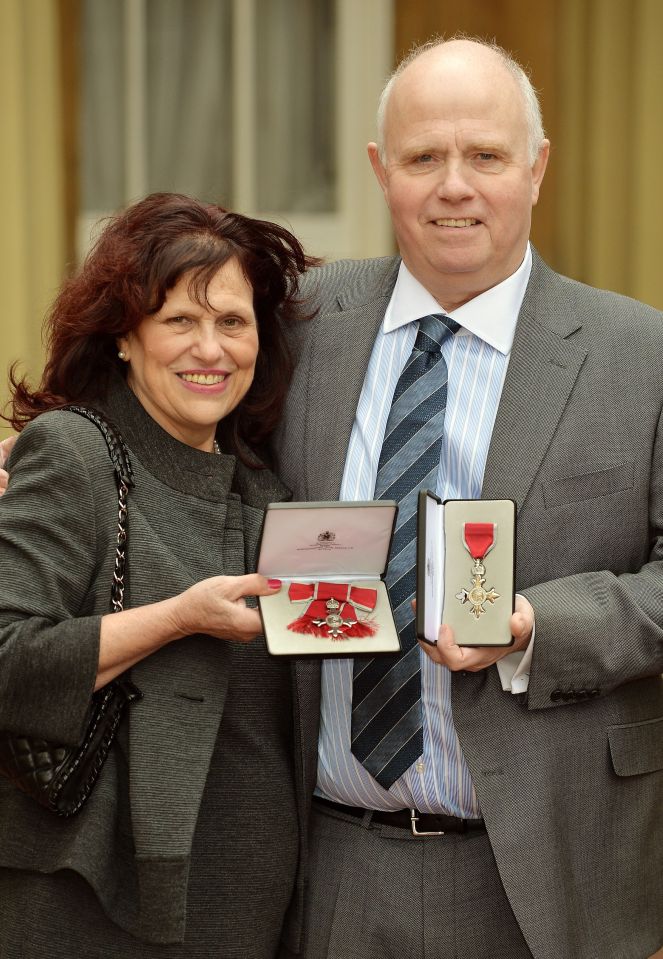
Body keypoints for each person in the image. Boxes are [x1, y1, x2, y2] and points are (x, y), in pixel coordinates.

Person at [273, 38, 663, 959]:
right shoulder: (295, 326)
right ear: (381, 171)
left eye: (484, 155)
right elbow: (180, 424)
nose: (455, 186)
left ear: (535, 167)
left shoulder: (639, 354)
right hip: (326, 866)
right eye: (423, 158)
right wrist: (47, 452)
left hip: (550, 872)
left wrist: (533, 622)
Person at [0, 192, 315, 958]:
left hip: (243, 899)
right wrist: (180, 617)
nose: (210, 348)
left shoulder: (263, 491)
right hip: (87, 904)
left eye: (231, 322)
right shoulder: (73, 452)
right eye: (179, 320)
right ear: (124, 339)